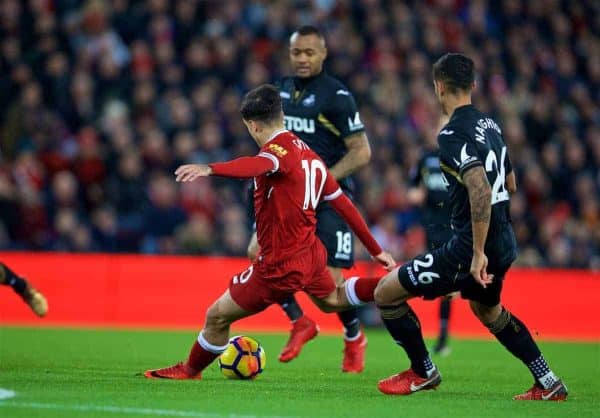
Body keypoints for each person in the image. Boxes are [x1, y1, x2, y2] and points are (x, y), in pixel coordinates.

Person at [144, 84, 395, 380]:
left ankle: (190, 370)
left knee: (217, 315)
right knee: (334, 300)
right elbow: (346, 207)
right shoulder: (311, 156)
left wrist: (210, 169)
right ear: (283, 116)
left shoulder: (278, 152)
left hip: (278, 266)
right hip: (311, 255)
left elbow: (256, 164)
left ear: (253, 125)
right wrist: (377, 251)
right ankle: (392, 285)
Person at [373, 53, 567, 400]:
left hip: (470, 247)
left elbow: (479, 187)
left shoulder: (450, 134)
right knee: (488, 311)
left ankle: (423, 371)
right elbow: (510, 183)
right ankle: (548, 380)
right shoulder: (491, 126)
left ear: (439, 87)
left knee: (386, 292)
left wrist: (476, 252)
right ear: (474, 85)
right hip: (504, 239)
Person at [246, 25, 373, 372]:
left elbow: (361, 152)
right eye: (297, 53)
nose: (302, 59)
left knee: (331, 285)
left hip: (329, 198)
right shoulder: (279, 91)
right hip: (285, 197)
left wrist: (322, 181)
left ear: (324, 53)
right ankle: (300, 322)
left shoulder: (338, 95)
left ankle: (353, 337)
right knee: (257, 251)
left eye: (310, 53)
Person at [407, 123, 453, 356]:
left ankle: (443, 337)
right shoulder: (425, 159)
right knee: (437, 282)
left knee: (447, 285)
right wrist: (416, 194)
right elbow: (412, 189)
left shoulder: (458, 158)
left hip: (455, 228)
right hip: (431, 228)